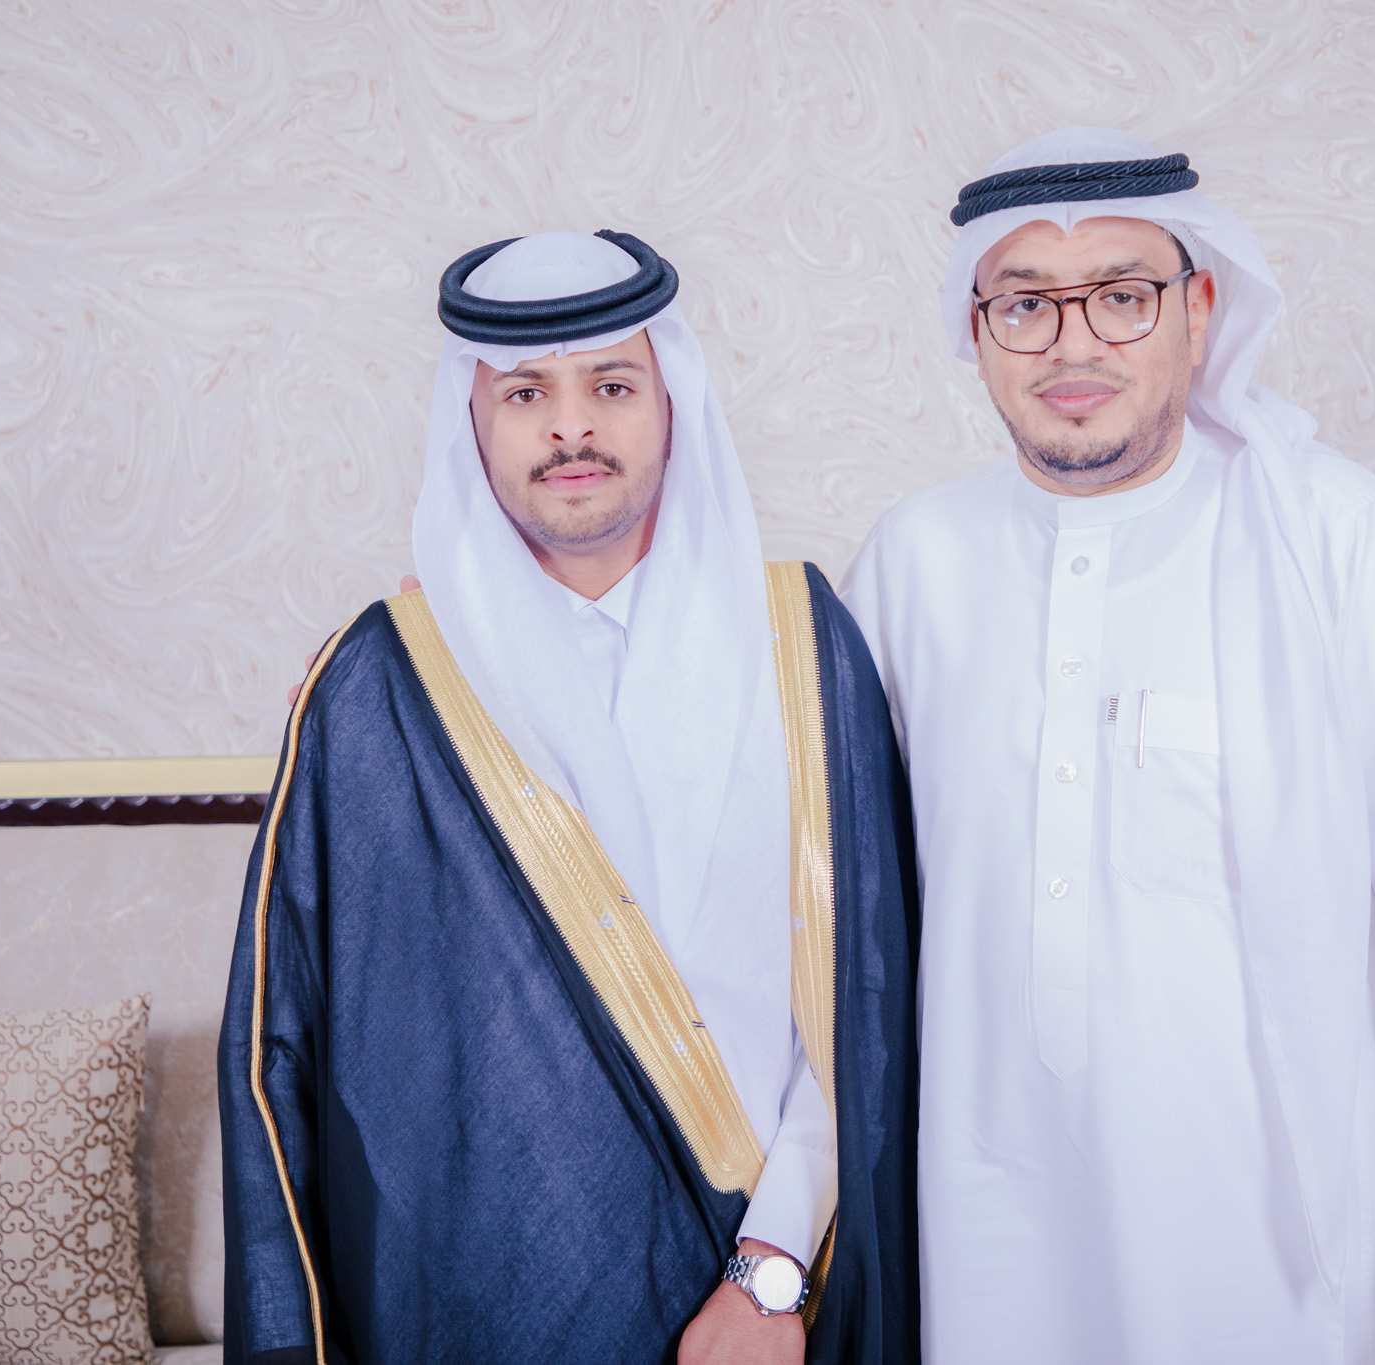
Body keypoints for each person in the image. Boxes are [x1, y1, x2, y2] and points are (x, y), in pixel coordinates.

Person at [841, 126, 1375, 1363]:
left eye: (1121, 296)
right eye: (1025, 305)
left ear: (1198, 310)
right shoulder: (913, 562)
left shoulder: (1332, 535)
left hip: (1287, 1268)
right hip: (989, 1249)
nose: (1072, 346)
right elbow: (847, 931)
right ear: (975, 329)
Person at [218, 230, 919, 1364]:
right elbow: (286, 1049)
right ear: (471, 424)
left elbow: (870, 1000)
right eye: (525, 393)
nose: (570, 426)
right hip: (476, 1314)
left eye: (612, 385)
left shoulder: (802, 643)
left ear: (672, 405)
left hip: (778, 1298)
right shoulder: (378, 684)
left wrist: (771, 1271)